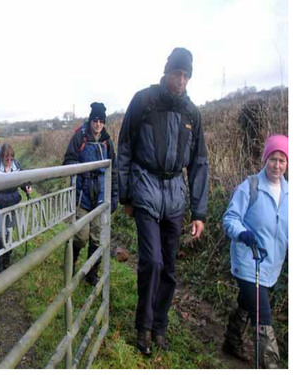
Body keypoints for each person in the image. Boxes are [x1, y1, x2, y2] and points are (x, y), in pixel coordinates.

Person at [117, 47, 209, 355]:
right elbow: (126, 147)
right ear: (167, 72)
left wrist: (199, 211)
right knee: (152, 262)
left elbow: (199, 162)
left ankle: (160, 325)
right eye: (176, 73)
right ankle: (142, 327)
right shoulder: (144, 101)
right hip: (145, 188)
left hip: (174, 195)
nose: (180, 80)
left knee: (169, 267)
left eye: (185, 75)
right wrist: (125, 195)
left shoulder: (191, 114)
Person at [222, 135, 288, 369]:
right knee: (263, 316)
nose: (277, 165)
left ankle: (231, 341)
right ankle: (269, 366)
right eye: (273, 159)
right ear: (265, 159)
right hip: (248, 261)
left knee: (247, 303)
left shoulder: (291, 194)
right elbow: (230, 218)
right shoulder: (250, 186)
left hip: (272, 266)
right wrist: (242, 233)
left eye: (282, 160)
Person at [63, 102, 118, 286]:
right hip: (82, 196)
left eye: (102, 121)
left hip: (101, 197)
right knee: (81, 235)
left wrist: (115, 196)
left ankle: (91, 273)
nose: (98, 124)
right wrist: (81, 170)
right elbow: (68, 160)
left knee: (97, 236)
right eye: (95, 120)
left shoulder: (107, 142)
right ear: (90, 120)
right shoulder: (80, 137)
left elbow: (114, 170)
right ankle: (70, 263)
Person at [0, 144, 32, 276]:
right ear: (2, 157)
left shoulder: (16, 166)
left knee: (8, 234)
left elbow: (23, 181)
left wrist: (27, 188)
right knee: (0, 235)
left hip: (13, 204)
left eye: (11, 157)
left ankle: (7, 259)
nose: (9, 160)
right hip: (0, 204)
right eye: (7, 158)